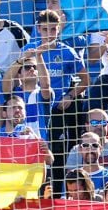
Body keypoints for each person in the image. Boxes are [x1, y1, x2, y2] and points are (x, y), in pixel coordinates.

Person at [22, 9, 90, 157]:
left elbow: (86, 80)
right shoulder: (29, 50)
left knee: (57, 151)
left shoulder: (67, 52)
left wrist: (70, 96)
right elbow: (15, 77)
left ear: (59, 29)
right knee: (32, 148)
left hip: (58, 109)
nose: (49, 34)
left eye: (53, 29)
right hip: (34, 108)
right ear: (38, 29)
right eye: (45, 29)